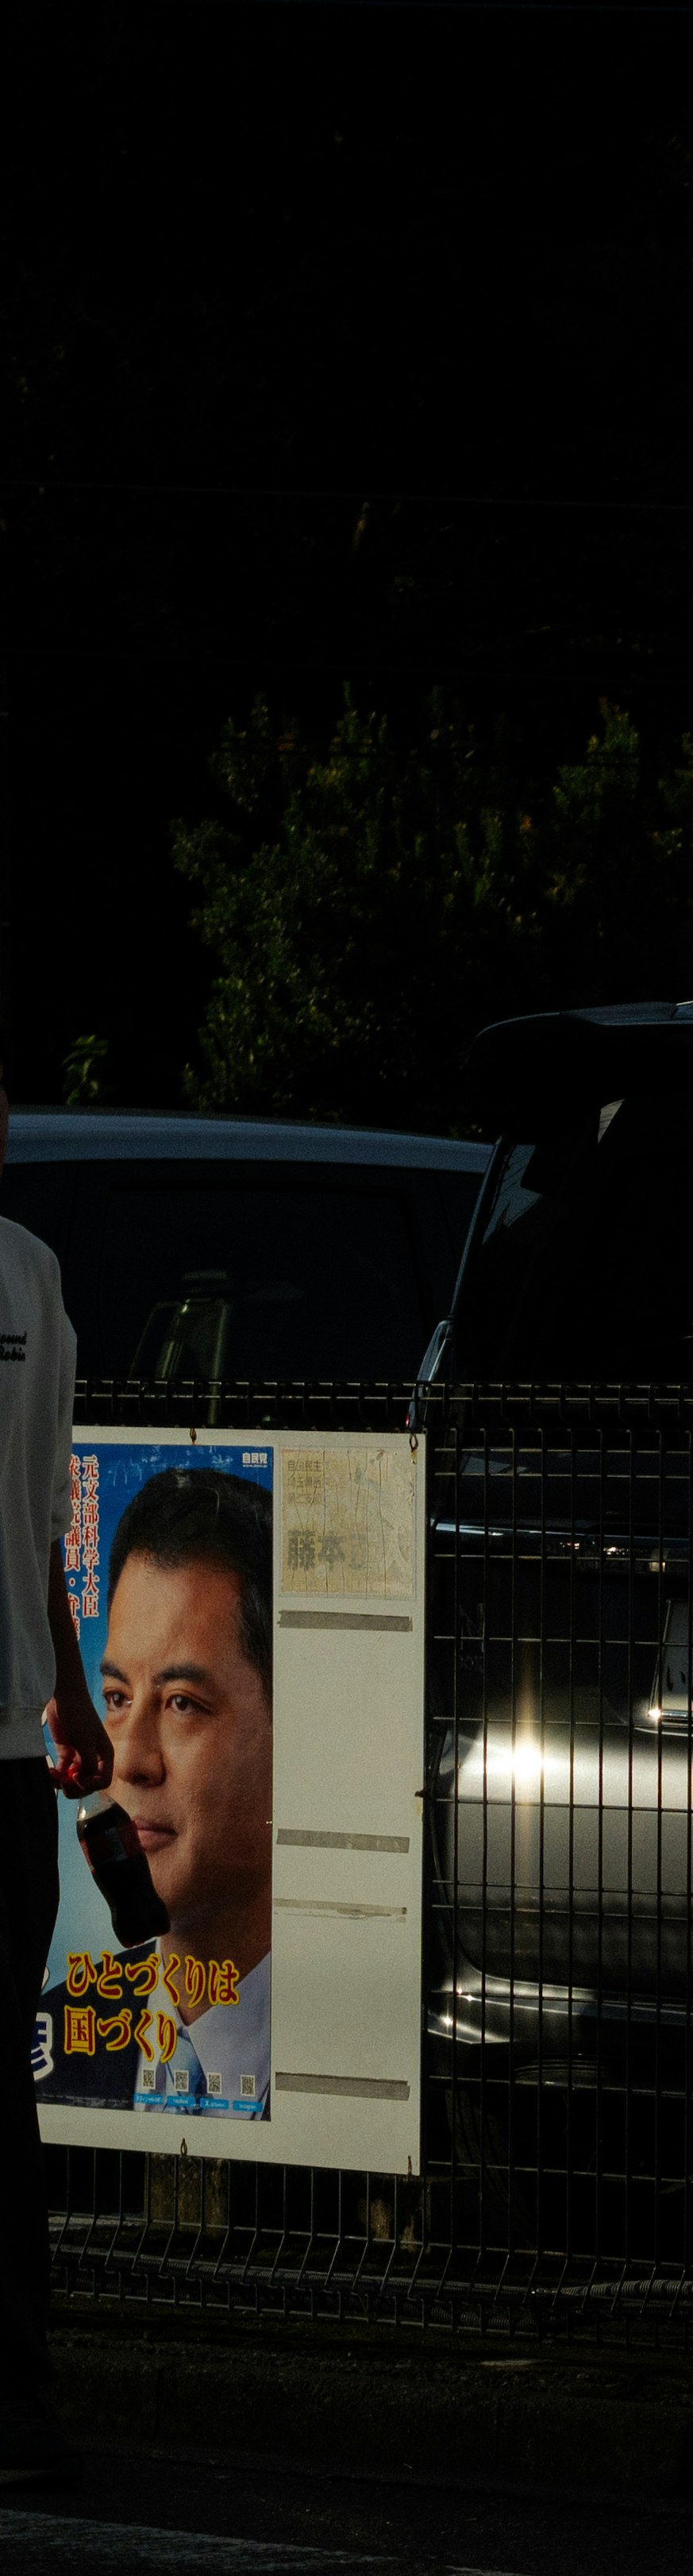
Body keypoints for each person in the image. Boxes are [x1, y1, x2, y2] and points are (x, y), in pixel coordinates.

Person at [0, 1059, 116, 2489]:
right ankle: (17, 2404)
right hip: (9, 1744)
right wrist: (69, 1689)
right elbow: (44, 1512)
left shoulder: (34, 1272)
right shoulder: (33, 1274)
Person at [100, 1468, 273, 2117]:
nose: (131, 1761)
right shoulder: (58, 2034)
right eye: (117, 1698)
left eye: (181, 1704)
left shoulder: (357, 2041)